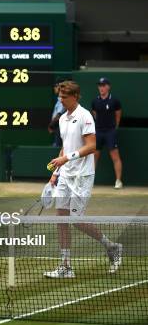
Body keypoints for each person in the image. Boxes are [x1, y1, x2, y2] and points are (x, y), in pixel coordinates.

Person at [45, 81, 122, 279]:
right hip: (66, 174)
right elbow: (65, 147)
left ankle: (112, 247)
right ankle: (66, 266)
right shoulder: (62, 119)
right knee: (61, 218)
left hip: (82, 175)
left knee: (76, 219)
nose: (60, 100)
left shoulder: (85, 116)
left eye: (64, 97)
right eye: (59, 96)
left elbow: (91, 146)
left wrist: (65, 158)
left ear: (75, 96)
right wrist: (56, 172)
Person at [91, 77, 123, 189]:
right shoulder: (95, 101)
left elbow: (118, 114)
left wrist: (114, 128)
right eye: (100, 85)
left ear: (108, 87)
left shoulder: (114, 100)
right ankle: (90, 181)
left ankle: (118, 181)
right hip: (98, 131)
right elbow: (95, 114)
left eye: (104, 85)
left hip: (110, 132)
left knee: (115, 156)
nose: (101, 88)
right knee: (94, 156)